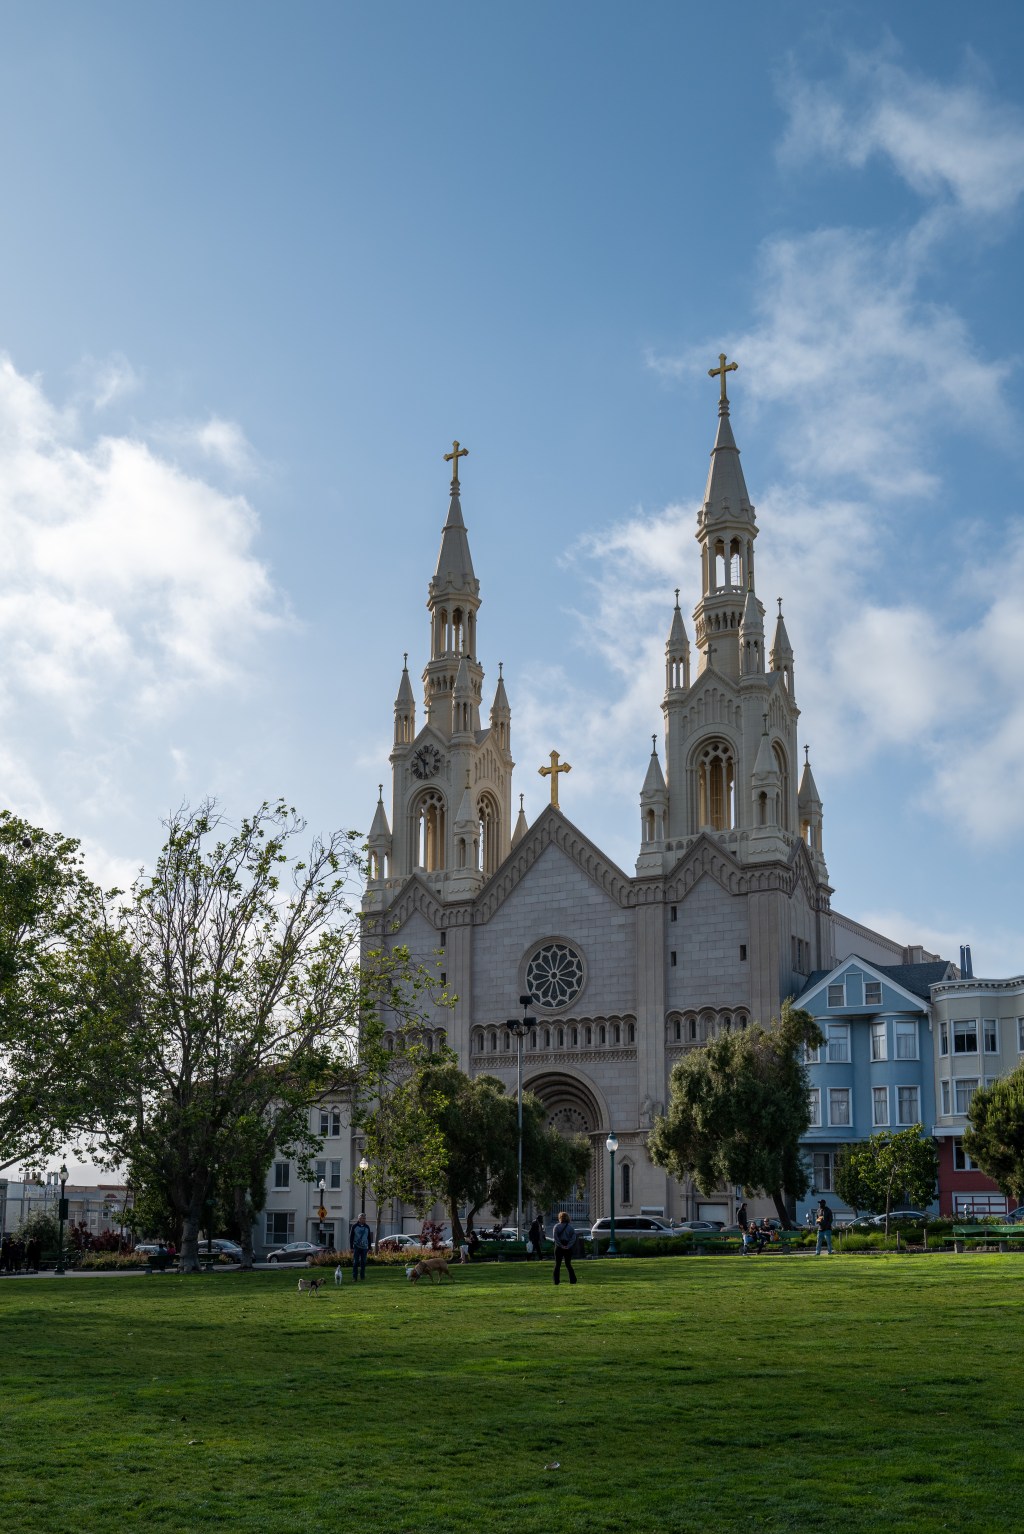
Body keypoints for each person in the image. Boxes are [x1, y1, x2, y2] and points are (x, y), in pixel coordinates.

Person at [551, 1211, 578, 1286]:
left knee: (557, 1264)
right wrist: (568, 1246)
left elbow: (555, 1237)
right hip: (567, 1246)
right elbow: (573, 1238)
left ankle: (556, 1281)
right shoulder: (570, 1228)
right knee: (568, 1264)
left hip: (559, 1247)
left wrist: (560, 1245)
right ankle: (573, 1280)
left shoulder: (556, 1227)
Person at [350, 1213, 371, 1280]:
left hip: (364, 1247)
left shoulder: (367, 1227)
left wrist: (369, 1248)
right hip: (356, 1247)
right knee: (355, 1262)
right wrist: (351, 1247)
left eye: (364, 1218)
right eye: (362, 1218)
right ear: (359, 1219)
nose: (364, 1219)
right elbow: (351, 1237)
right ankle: (354, 1277)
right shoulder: (354, 1226)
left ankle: (362, 1276)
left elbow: (369, 1238)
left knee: (363, 1262)